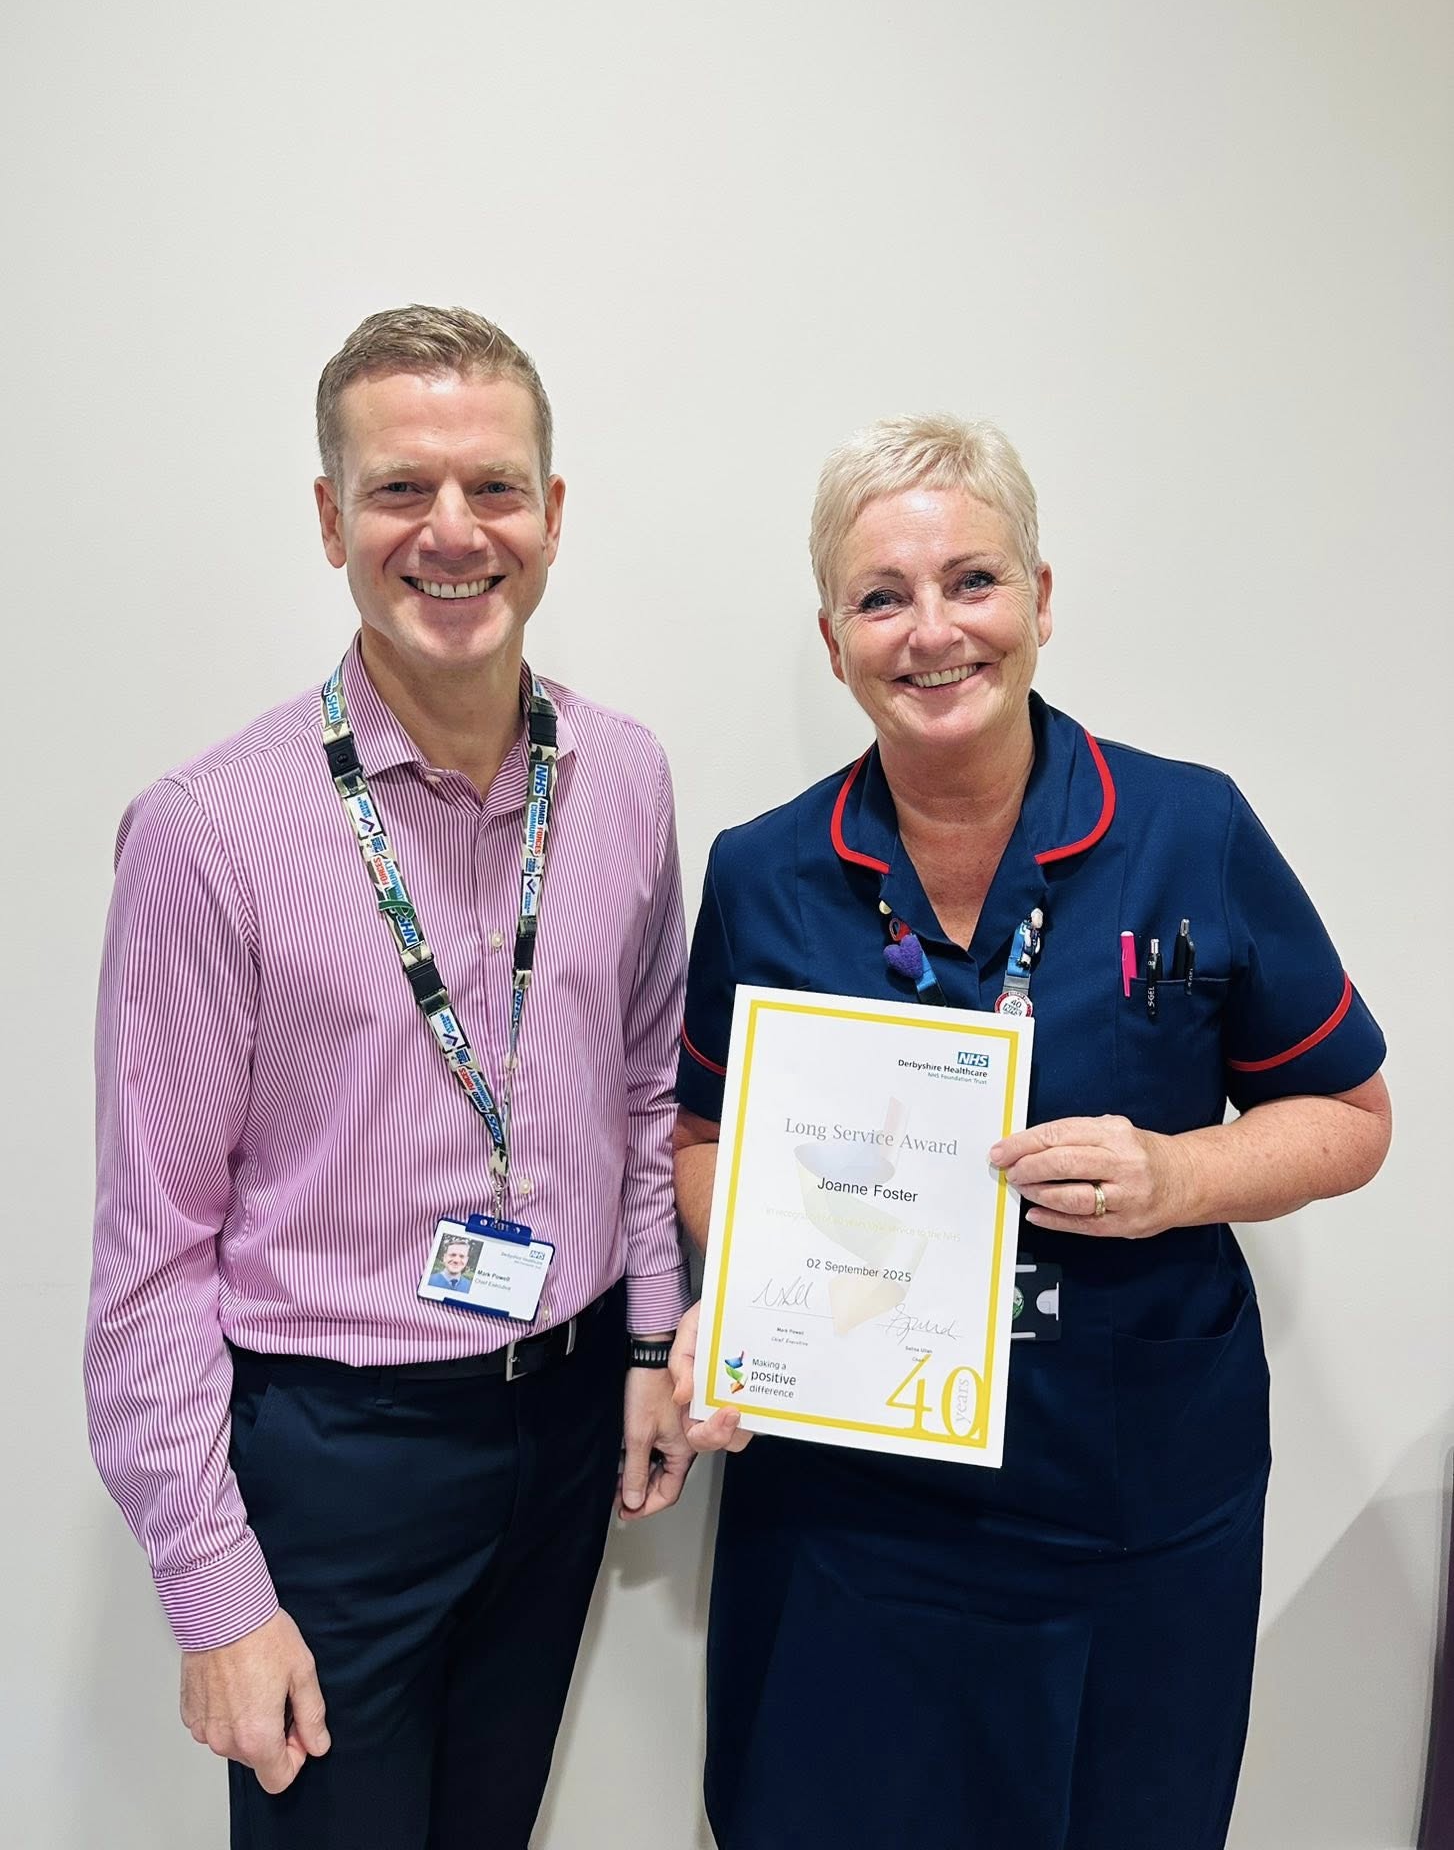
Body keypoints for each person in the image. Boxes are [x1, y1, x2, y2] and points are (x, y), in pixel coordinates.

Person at [670, 415, 1391, 1850]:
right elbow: (698, 1143)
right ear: (833, 642)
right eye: (882, 597)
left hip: (1127, 1495)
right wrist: (741, 1286)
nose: (932, 631)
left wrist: (1183, 1174)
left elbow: (1350, 1118)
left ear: (1041, 601)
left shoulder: (1188, 828)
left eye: (972, 582)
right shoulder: (763, 872)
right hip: (848, 1508)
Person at [86, 305, 693, 1850]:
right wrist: (215, 1592)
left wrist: (641, 1343)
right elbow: (151, 1250)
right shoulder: (206, 835)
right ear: (329, 520)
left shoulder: (622, 776)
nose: (451, 532)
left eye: (493, 487)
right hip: (332, 1468)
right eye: (399, 490)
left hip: (559, 1435)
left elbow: (636, 1089)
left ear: (553, 516)